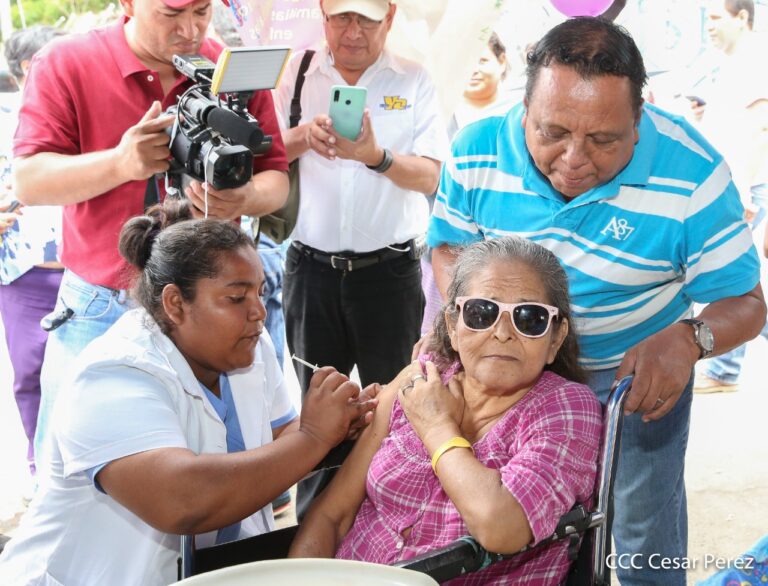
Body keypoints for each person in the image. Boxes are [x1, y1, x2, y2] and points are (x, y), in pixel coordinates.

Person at [427, 17, 765, 586]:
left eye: (603, 140)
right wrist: (475, 329)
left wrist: (689, 339)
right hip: (516, 377)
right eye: (551, 131)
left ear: (640, 118)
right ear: (524, 106)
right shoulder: (476, 149)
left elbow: (748, 303)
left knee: (641, 538)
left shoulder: (693, 174)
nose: (574, 158)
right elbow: (449, 249)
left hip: (635, 382)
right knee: (528, 533)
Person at [0, 199, 377, 586]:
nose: (259, 312)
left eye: (260, 294)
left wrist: (342, 422)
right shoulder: (112, 373)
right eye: (236, 298)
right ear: (175, 303)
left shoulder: (248, 348)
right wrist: (314, 436)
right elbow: (182, 499)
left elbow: (280, 438)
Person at [12, 0, 290, 468]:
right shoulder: (68, 62)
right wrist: (121, 164)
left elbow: (277, 178)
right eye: (170, 13)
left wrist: (240, 198)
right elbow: (30, 180)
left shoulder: (229, 72)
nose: (190, 29)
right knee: (80, 474)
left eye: (201, 12)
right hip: (102, 306)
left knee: (235, 471)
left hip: (212, 311)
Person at [290, 237, 602, 585]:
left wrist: (436, 426)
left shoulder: (568, 410)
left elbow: (501, 526)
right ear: (453, 327)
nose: (502, 333)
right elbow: (333, 514)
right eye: (481, 313)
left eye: (529, 318)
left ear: (555, 340)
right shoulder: (420, 379)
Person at [274, 0, 448, 517]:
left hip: (389, 274)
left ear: (389, 18)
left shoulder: (413, 79)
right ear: (323, 15)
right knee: (317, 412)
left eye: (366, 19)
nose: (353, 31)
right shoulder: (297, 72)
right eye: (342, 17)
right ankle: (316, 532)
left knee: (398, 407)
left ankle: (396, 525)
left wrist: (377, 157)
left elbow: (435, 176)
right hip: (311, 271)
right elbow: (263, 153)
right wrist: (306, 136)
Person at [684, 0, 768, 393]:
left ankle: (723, 369)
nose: (710, 27)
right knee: (736, 281)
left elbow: (758, 131)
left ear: (742, 18)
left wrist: (742, 190)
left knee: (735, 281)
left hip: (746, 185)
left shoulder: (754, 59)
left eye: (717, 18)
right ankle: (724, 369)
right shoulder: (730, 61)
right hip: (733, 185)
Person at [0, 26, 66, 479]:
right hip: (23, 276)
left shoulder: (78, 114)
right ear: (29, 69)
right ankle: (39, 463)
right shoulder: (6, 120)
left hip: (85, 273)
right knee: (30, 374)